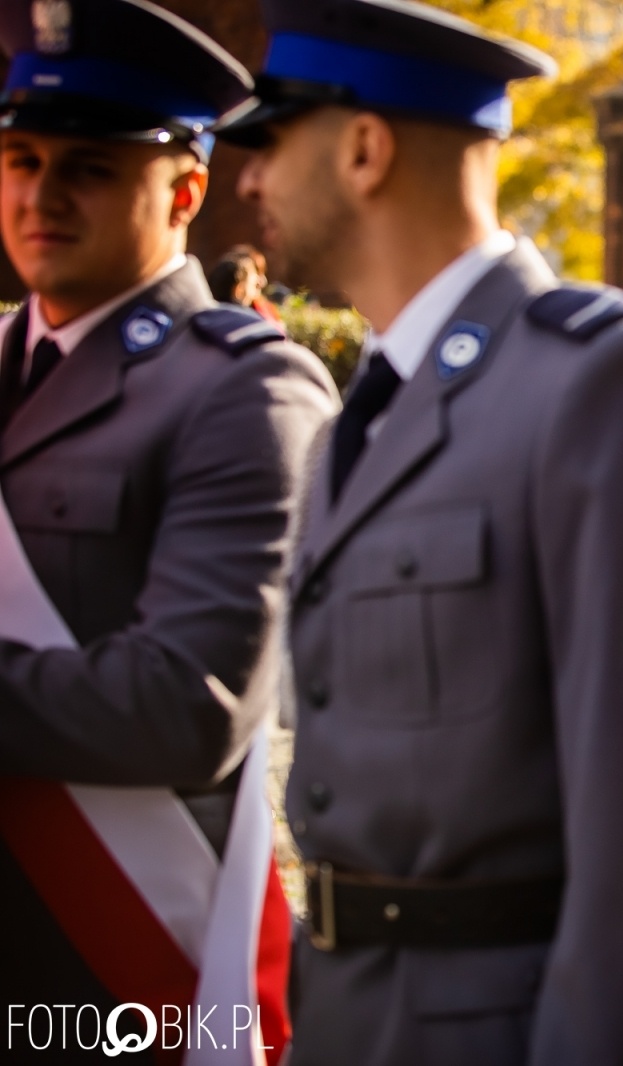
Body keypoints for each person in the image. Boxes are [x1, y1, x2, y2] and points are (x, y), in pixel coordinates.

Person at [216, 1, 623, 1062]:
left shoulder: (606, 384)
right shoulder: (365, 415)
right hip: (348, 1017)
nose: (249, 180)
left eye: (273, 144)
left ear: (366, 150)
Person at [0, 0, 337, 1041]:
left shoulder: (246, 391)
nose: (40, 195)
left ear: (186, 188)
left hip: (106, 967)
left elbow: (188, 704)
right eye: (20, 159)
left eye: (90, 167)